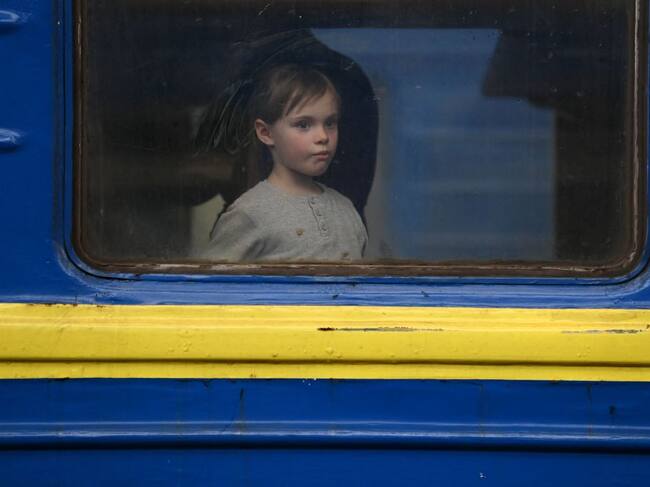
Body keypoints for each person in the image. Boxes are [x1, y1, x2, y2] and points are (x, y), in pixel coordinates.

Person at [203, 64, 368, 262]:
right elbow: (211, 279)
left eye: (330, 123)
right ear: (266, 133)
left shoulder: (345, 209)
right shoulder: (249, 213)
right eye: (303, 125)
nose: (323, 136)